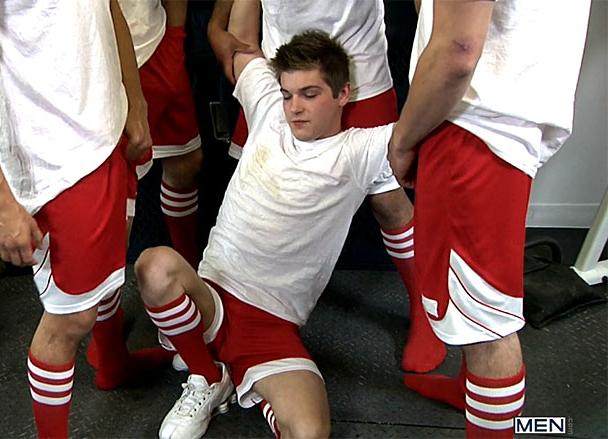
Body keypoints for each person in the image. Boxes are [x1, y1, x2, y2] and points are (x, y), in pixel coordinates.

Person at [136, 5, 401, 436]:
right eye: (288, 94)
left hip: (271, 324)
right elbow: (235, 44)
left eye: (310, 94)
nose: (295, 108)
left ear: (343, 93)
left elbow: (428, 128)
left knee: (310, 432)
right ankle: (208, 374)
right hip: (212, 296)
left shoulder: (363, 149)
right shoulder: (267, 104)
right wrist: (216, 25)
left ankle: (251, 386)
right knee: (153, 266)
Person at [0, 1, 172, 437]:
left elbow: (109, 9)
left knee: (109, 266)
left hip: (106, 124)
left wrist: (134, 100)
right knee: (69, 319)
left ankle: (113, 361)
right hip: (54, 157)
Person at [208, 0, 445, 375]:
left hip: (359, 72)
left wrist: (442, 55)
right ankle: (235, 301)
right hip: (285, 73)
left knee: (387, 201)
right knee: (263, 180)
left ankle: (426, 306)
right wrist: (220, 28)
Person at [388, 1, 591, 437]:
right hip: (514, 106)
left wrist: (402, 139)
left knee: (487, 325)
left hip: (472, 120)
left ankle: (489, 408)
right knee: (475, 302)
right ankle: (473, 392)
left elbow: (459, 49)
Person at [118, 0, 203, 269]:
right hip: (105, 64)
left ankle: (190, 270)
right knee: (115, 192)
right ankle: (105, 294)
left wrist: (175, 37)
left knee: (186, 161)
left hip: (157, 40)